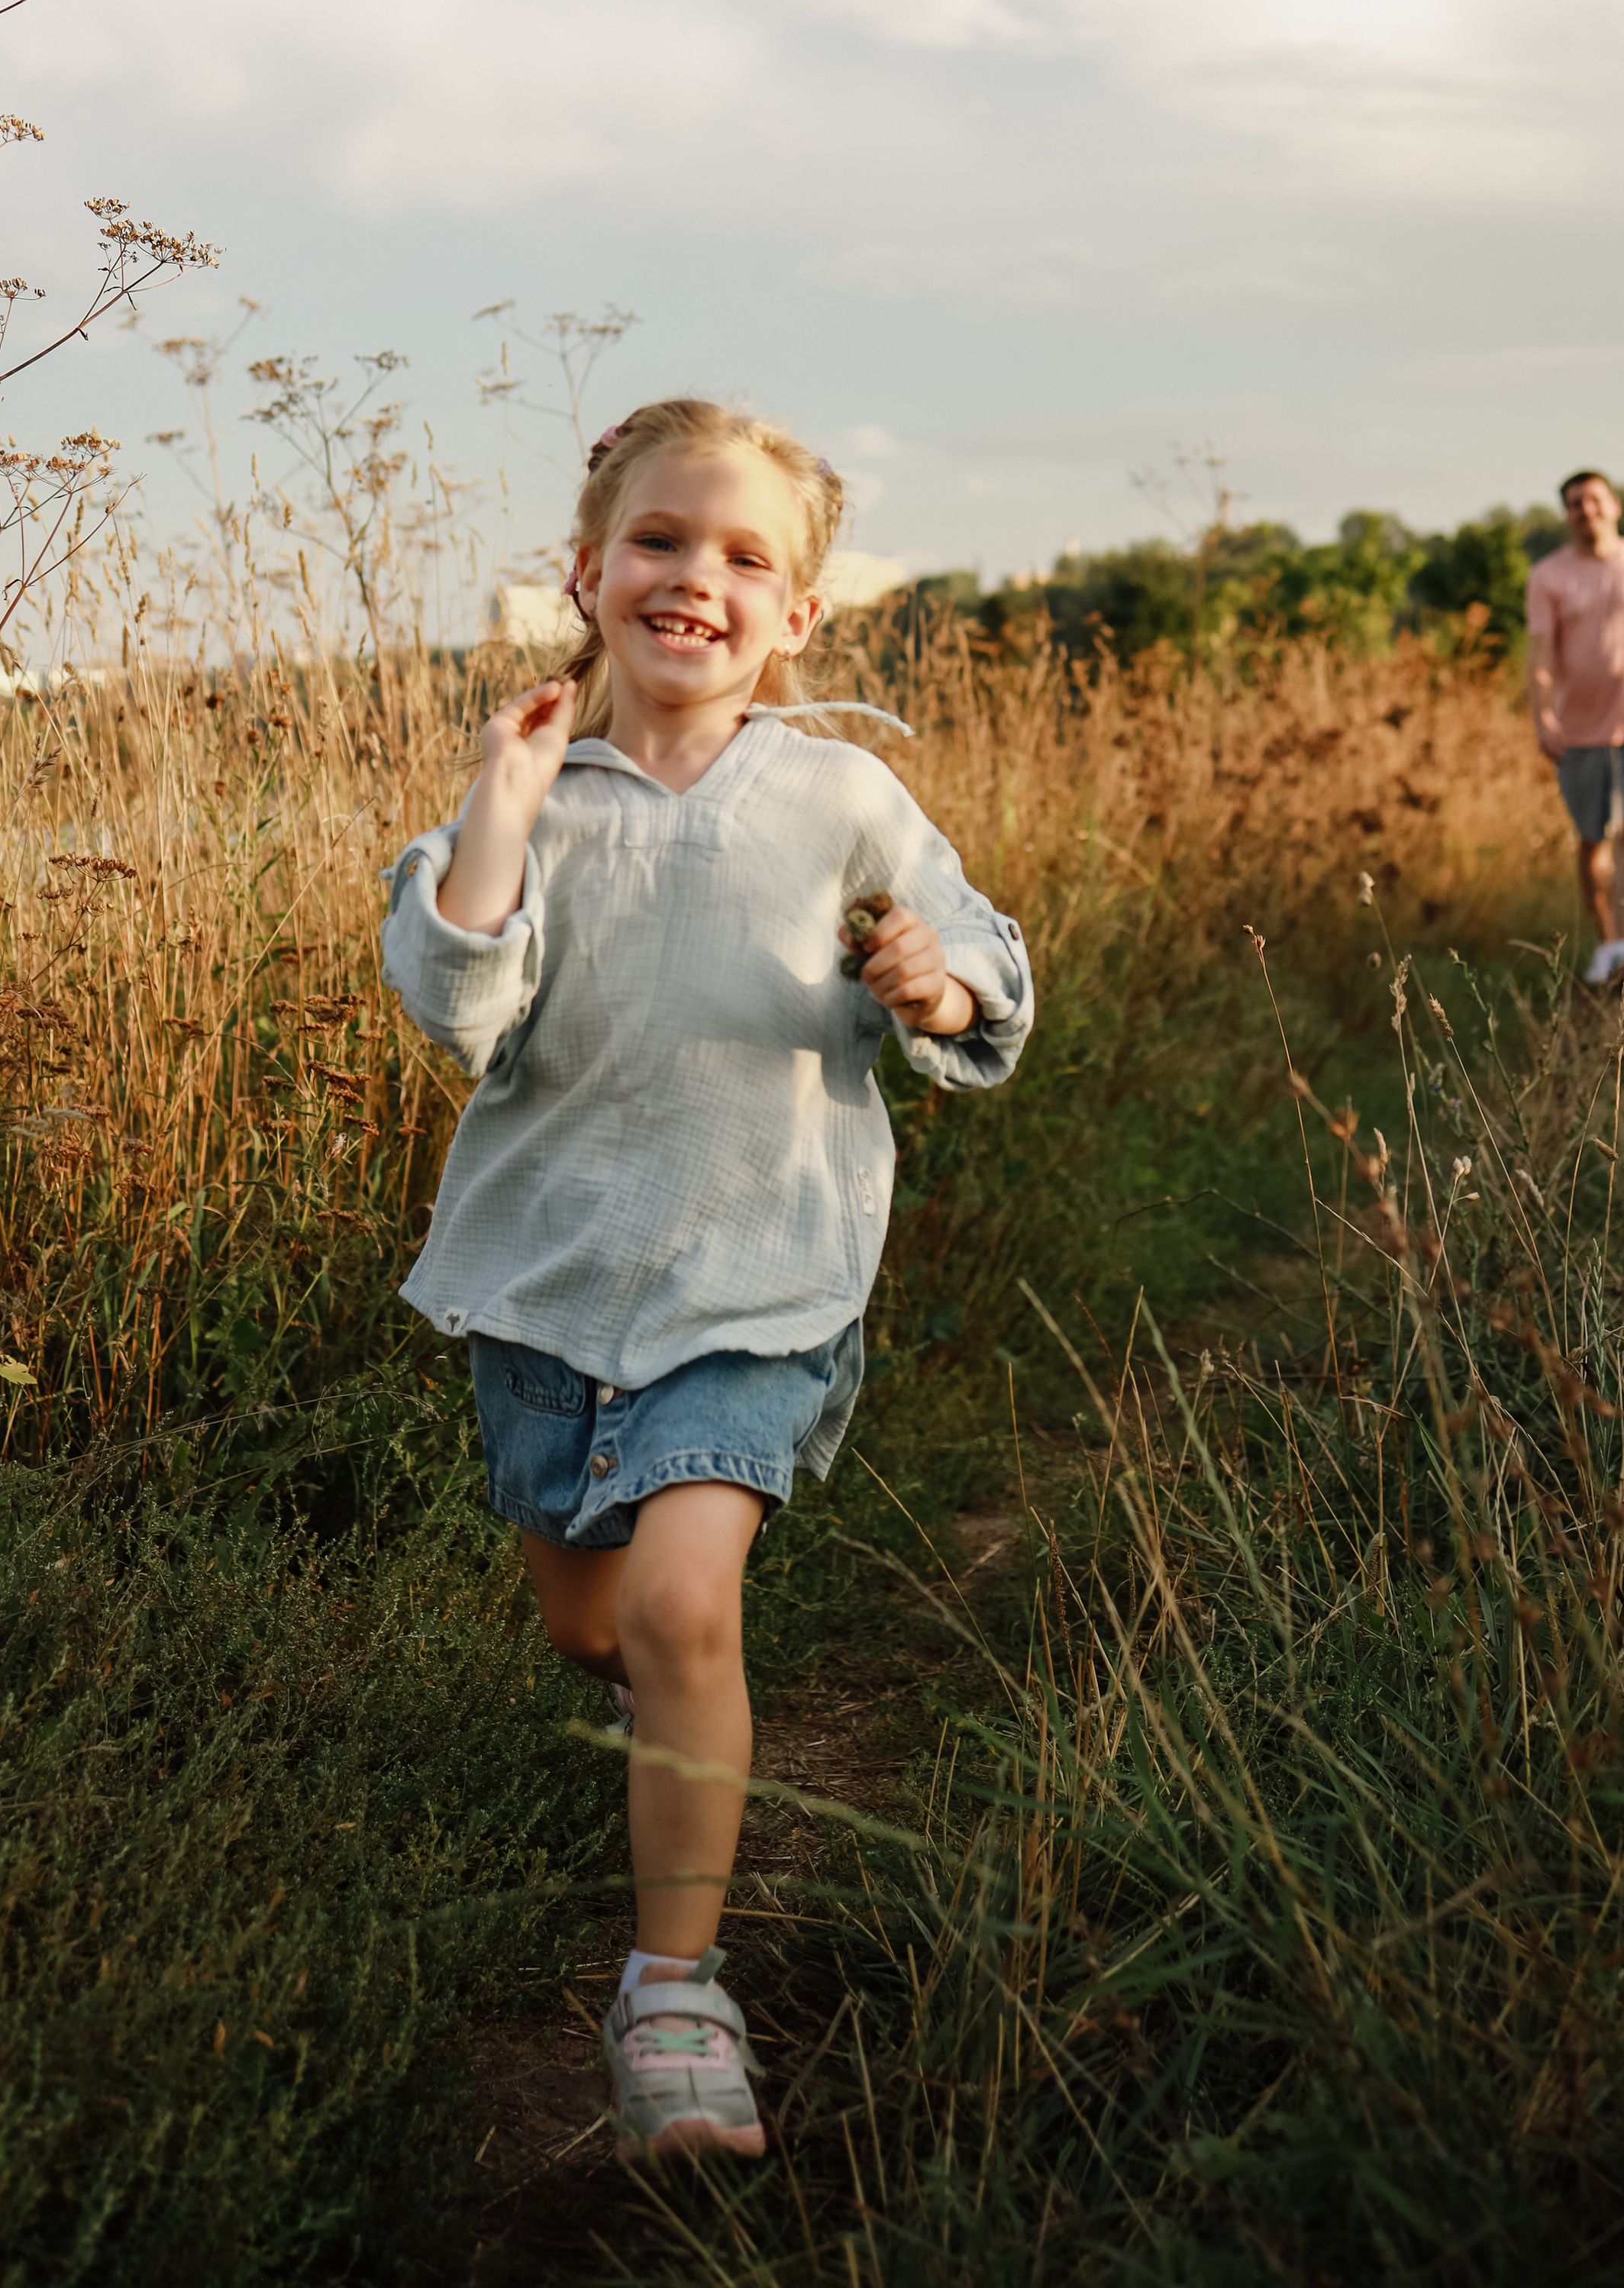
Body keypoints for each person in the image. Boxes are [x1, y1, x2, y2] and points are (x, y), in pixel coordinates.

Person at [381, 397, 1033, 2161]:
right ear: (587, 574)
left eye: (747, 556)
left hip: (763, 1277)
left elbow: (969, 936)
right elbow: (457, 1007)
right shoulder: (530, 786)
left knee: (679, 1606)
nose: (697, 577)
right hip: (542, 1284)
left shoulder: (837, 789)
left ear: (798, 615)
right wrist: (502, 812)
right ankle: (638, 1685)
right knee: (589, 1619)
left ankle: (671, 1987)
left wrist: (937, 983)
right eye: (661, 541)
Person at [1526, 469, 1624, 986]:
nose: (1586, 511)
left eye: (1594, 500)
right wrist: (1544, 717)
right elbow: (1541, 658)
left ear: (1615, 505)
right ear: (1567, 515)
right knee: (1593, 839)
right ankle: (1605, 945)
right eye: (1575, 504)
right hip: (1577, 731)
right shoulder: (1549, 576)